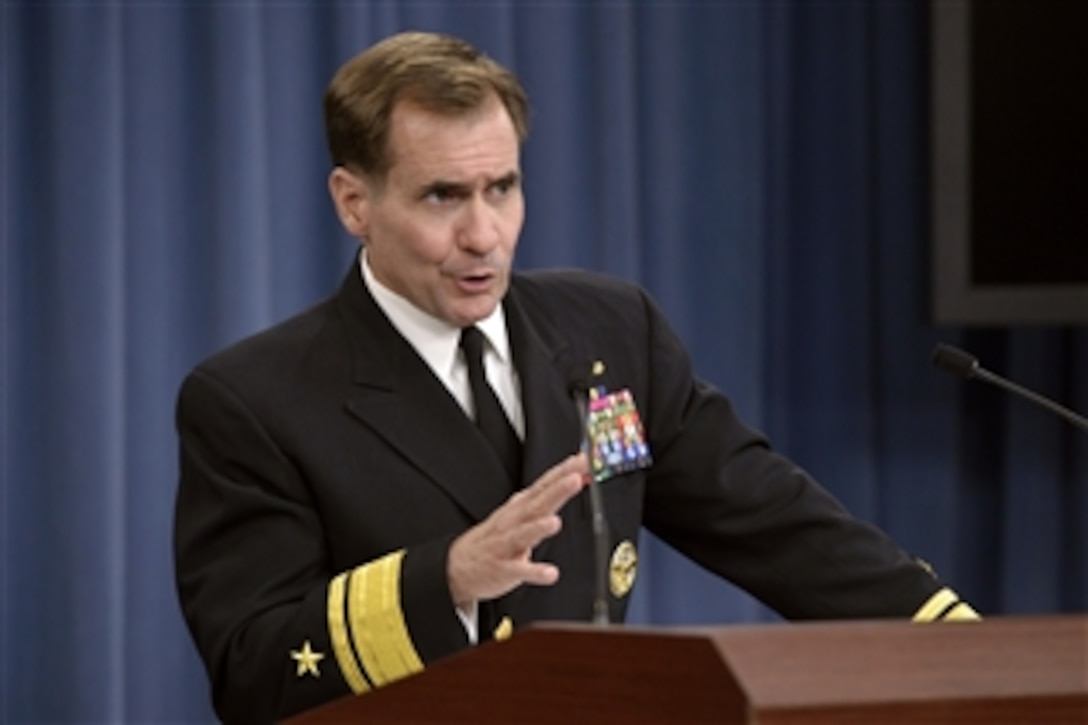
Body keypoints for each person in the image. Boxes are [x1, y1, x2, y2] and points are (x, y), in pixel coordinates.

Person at [173, 30, 977, 723]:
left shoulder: (607, 331)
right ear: (354, 202)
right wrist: (444, 577)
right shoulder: (257, 399)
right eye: (443, 196)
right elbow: (253, 669)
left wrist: (966, 651)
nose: (483, 234)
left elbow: (771, 521)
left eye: (502, 188)